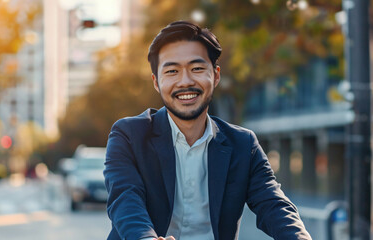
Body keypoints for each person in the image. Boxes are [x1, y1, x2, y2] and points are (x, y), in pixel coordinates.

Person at [103, 21, 311, 240]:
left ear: (216, 75)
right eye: (172, 71)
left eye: (197, 69)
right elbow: (125, 200)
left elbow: (273, 204)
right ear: (156, 82)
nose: (185, 81)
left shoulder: (243, 144)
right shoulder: (129, 135)